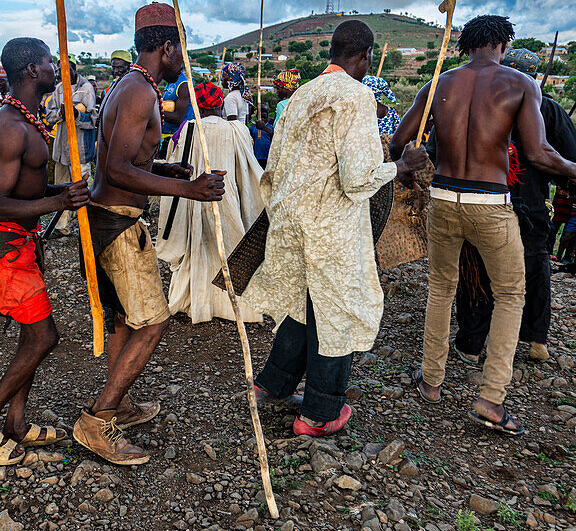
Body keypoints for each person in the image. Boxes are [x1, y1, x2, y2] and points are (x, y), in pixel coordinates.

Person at [391, 15, 576, 436]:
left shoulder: (437, 85)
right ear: (502, 45)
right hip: (490, 204)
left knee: (441, 288)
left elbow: (399, 143)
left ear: (467, 45)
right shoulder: (521, 85)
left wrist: (409, 171)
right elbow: (537, 154)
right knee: (510, 294)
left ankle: (431, 381)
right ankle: (491, 398)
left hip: (443, 199)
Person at [244, 21, 428, 437]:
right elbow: (358, 178)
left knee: (304, 299)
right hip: (331, 225)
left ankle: (272, 385)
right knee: (339, 310)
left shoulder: (302, 94)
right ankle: (319, 413)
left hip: (291, 218)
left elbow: (273, 166)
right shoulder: (356, 96)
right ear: (364, 56)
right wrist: (402, 166)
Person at [74, 1, 224, 465]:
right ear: (166, 47)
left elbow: (127, 161)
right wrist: (188, 187)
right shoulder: (139, 92)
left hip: (109, 217)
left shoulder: (130, 86)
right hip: (118, 222)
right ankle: (98, 423)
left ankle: (115, 403)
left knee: (124, 317)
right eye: (180, 46)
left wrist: (165, 167)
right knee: (154, 321)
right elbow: (115, 168)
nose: (184, 55)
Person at [0, 38, 91, 465]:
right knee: (43, 336)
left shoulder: (26, 121)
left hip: (21, 245)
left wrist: (59, 191)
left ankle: (15, 422)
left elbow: (24, 188)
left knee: (32, 334)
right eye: (51, 61)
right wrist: (58, 203)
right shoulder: (11, 128)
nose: (56, 68)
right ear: (33, 70)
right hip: (4, 247)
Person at [450, 48, 576, 365]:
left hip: (483, 202)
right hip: (532, 207)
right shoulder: (549, 110)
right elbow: (574, 160)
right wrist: (564, 174)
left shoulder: (479, 106)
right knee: (533, 270)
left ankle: (471, 343)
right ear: (534, 77)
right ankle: (535, 339)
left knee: (479, 270)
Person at [157, 81, 264, 324]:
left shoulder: (188, 129)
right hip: (226, 196)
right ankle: (234, 306)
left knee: (199, 245)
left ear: (198, 105)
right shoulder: (236, 129)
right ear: (219, 104)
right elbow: (246, 166)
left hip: (196, 196)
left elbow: (176, 162)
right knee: (231, 244)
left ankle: (198, 301)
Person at [44, 56, 97, 238]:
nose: (64, 74)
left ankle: (88, 225)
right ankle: (62, 226)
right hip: (61, 146)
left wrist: (75, 115)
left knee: (82, 186)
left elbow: (93, 119)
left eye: (68, 69)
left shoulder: (86, 89)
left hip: (80, 147)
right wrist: (60, 113)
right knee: (62, 185)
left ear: (74, 69)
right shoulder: (59, 89)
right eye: (60, 70)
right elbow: (48, 115)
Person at [248, 104, 273, 169]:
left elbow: (274, 136)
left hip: (267, 156)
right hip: (255, 156)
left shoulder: (270, 128)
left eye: (264, 117)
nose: (262, 119)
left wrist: (264, 127)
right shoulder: (252, 128)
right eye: (260, 117)